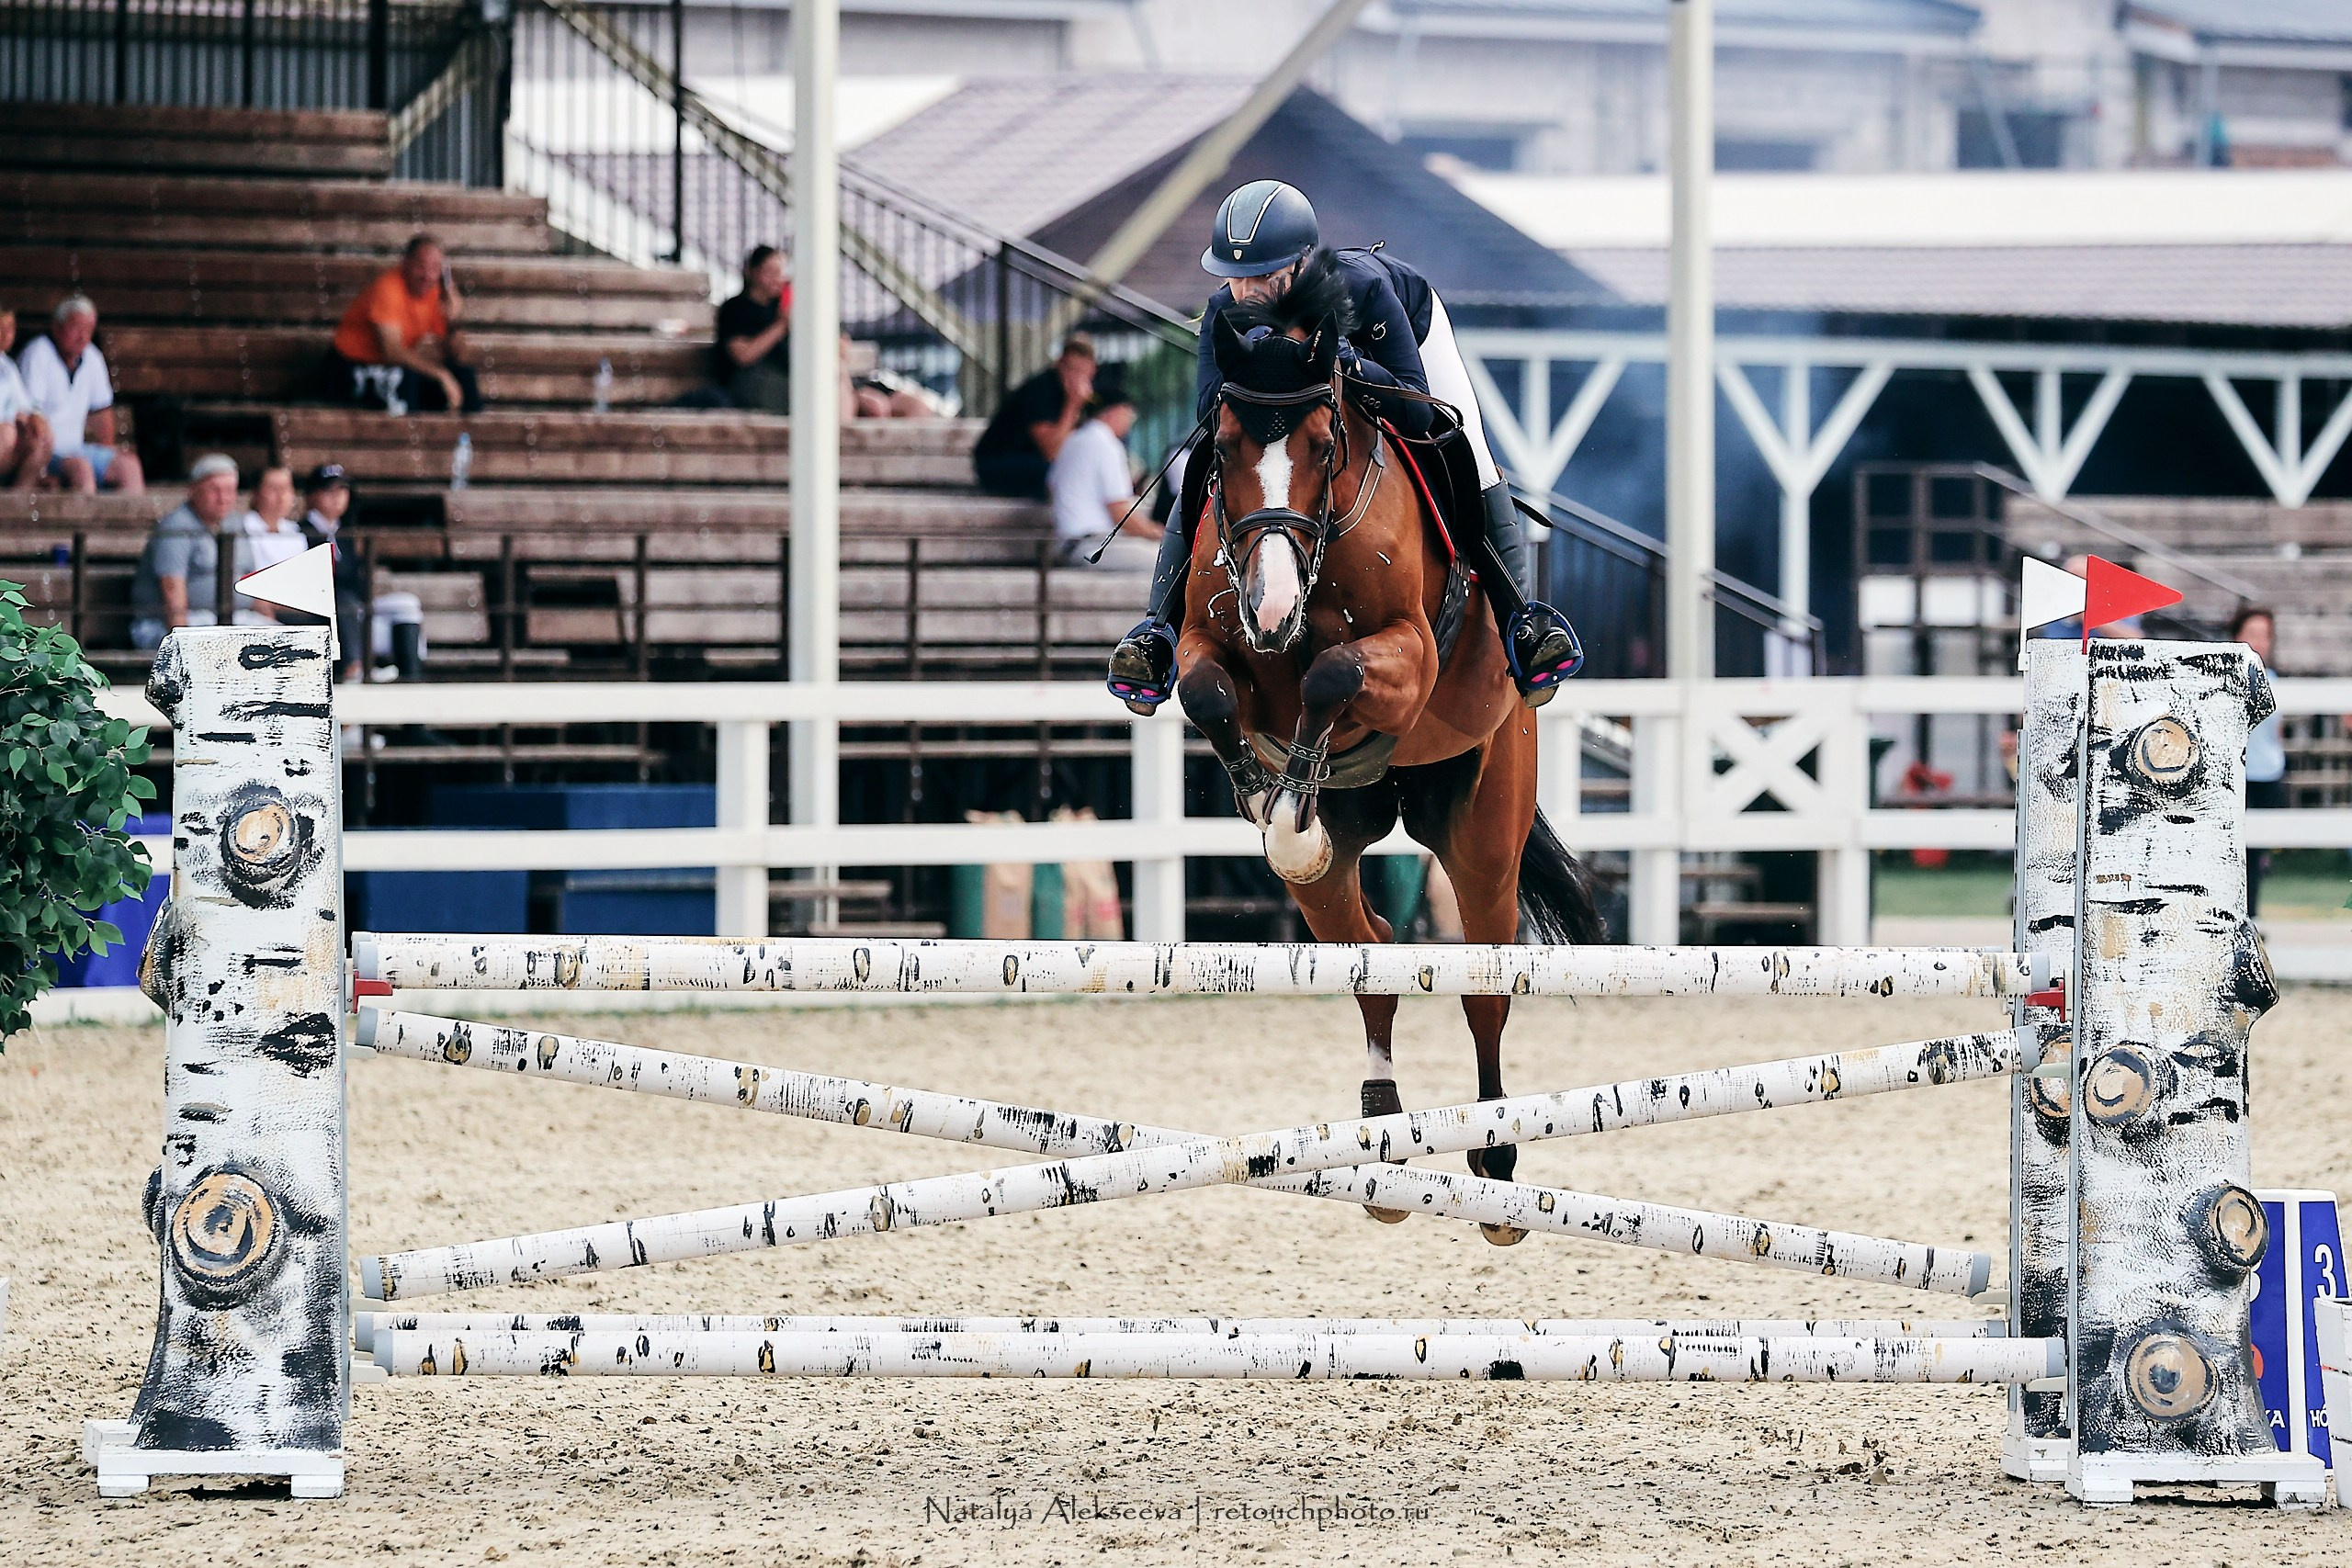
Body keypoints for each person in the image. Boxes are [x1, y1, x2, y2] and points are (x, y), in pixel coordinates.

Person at [1104, 181, 1580, 710]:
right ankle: (1157, 633)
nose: (1249, 291)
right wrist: (1263, 362)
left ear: (1301, 263)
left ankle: (1522, 621)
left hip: (1413, 336)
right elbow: (1209, 410)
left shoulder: (1365, 291)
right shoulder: (1225, 311)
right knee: (1207, 455)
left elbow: (1417, 404)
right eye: (1236, 277)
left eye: (1263, 275)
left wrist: (1346, 365)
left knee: (1461, 445)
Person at [323, 232, 481, 414]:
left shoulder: (437, 294)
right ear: (405, 263)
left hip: (392, 369)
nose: (428, 276)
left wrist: (454, 321)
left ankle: (466, 440)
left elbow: (456, 356)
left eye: (435, 268)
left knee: (464, 377)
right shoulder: (388, 288)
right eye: (421, 267)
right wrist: (440, 375)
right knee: (406, 379)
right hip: (351, 367)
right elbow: (392, 351)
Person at [19, 295, 144, 494]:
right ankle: (84, 526)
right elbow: (29, 416)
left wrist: (107, 454)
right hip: (49, 453)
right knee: (82, 470)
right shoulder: (37, 354)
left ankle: (125, 525)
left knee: (129, 466)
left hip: (78, 449)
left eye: (89, 330)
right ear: (57, 327)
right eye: (76, 328)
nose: (83, 336)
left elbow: (102, 416)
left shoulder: (93, 357)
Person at [129, 454, 250, 649]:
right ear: (193, 490)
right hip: (168, 626)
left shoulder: (235, 523)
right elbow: (172, 589)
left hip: (234, 619)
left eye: (230, 490)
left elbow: (250, 579)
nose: (223, 498)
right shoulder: (176, 527)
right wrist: (184, 648)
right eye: (215, 490)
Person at [974, 333, 1095, 499]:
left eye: (1081, 371)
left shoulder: (1088, 397)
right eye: (1070, 369)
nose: (1074, 377)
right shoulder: (1040, 390)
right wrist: (1072, 406)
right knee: (1062, 473)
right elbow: (1051, 450)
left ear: (1092, 370)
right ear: (1059, 364)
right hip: (997, 463)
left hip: (1031, 461)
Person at [1048, 388, 1158, 568]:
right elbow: (1119, 512)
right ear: (1115, 411)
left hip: (1070, 543)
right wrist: (1157, 533)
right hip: (1091, 544)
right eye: (1129, 414)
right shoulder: (1106, 444)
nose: (1130, 421)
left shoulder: (1073, 439)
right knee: (1168, 566)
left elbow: (1050, 486)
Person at [2233, 606, 2287, 916]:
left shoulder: (2277, 681)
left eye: (2264, 636)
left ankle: (2250, 916)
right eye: (2252, 634)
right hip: (2237, 773)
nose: (2258, 642)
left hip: (2267, 772)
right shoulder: (2225, 678)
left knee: (2255, 852)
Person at [716, 244, 793, 413]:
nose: (776, 279)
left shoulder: (781, 308)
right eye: (769, 272)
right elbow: (743, 355)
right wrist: (781, 325)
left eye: (780, 272)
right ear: (752, 271)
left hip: (785, 376)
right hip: (750, 381)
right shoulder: (735, 308)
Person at [0, 305, 51, 488]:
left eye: (11, 328)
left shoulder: (7, 367)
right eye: (1, 328)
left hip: (7, 439)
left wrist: (34, 418)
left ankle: (20, 498)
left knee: (42, 435)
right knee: (7, 433)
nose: (7, 335)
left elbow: (24, 405)